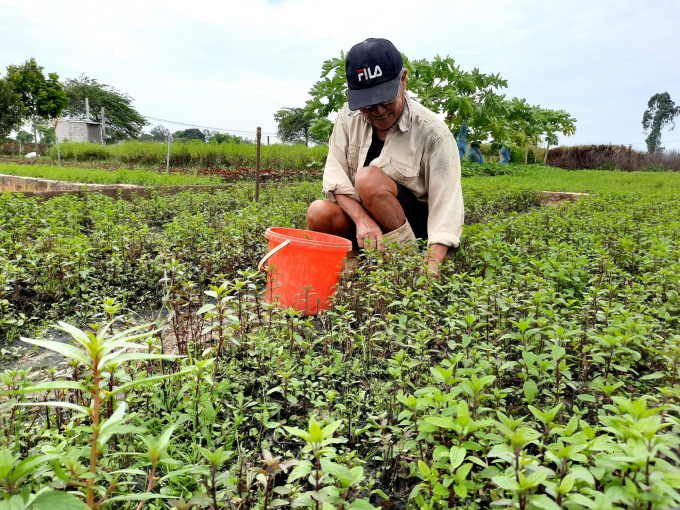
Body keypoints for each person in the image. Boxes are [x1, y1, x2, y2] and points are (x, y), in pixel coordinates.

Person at [306, 38, 464, 276]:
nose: (378, 112)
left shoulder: (433, 132)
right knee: (319, 212)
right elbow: (335, 177)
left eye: (385, 100)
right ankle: (355, 262)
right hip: (367, 225)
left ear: (403, 80)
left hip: (413, 227)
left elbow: (447, 205)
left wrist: (432, 263)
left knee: (369, 179)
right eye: (368, 105)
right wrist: (361, 220)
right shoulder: (347, 117)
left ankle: (405, 262)